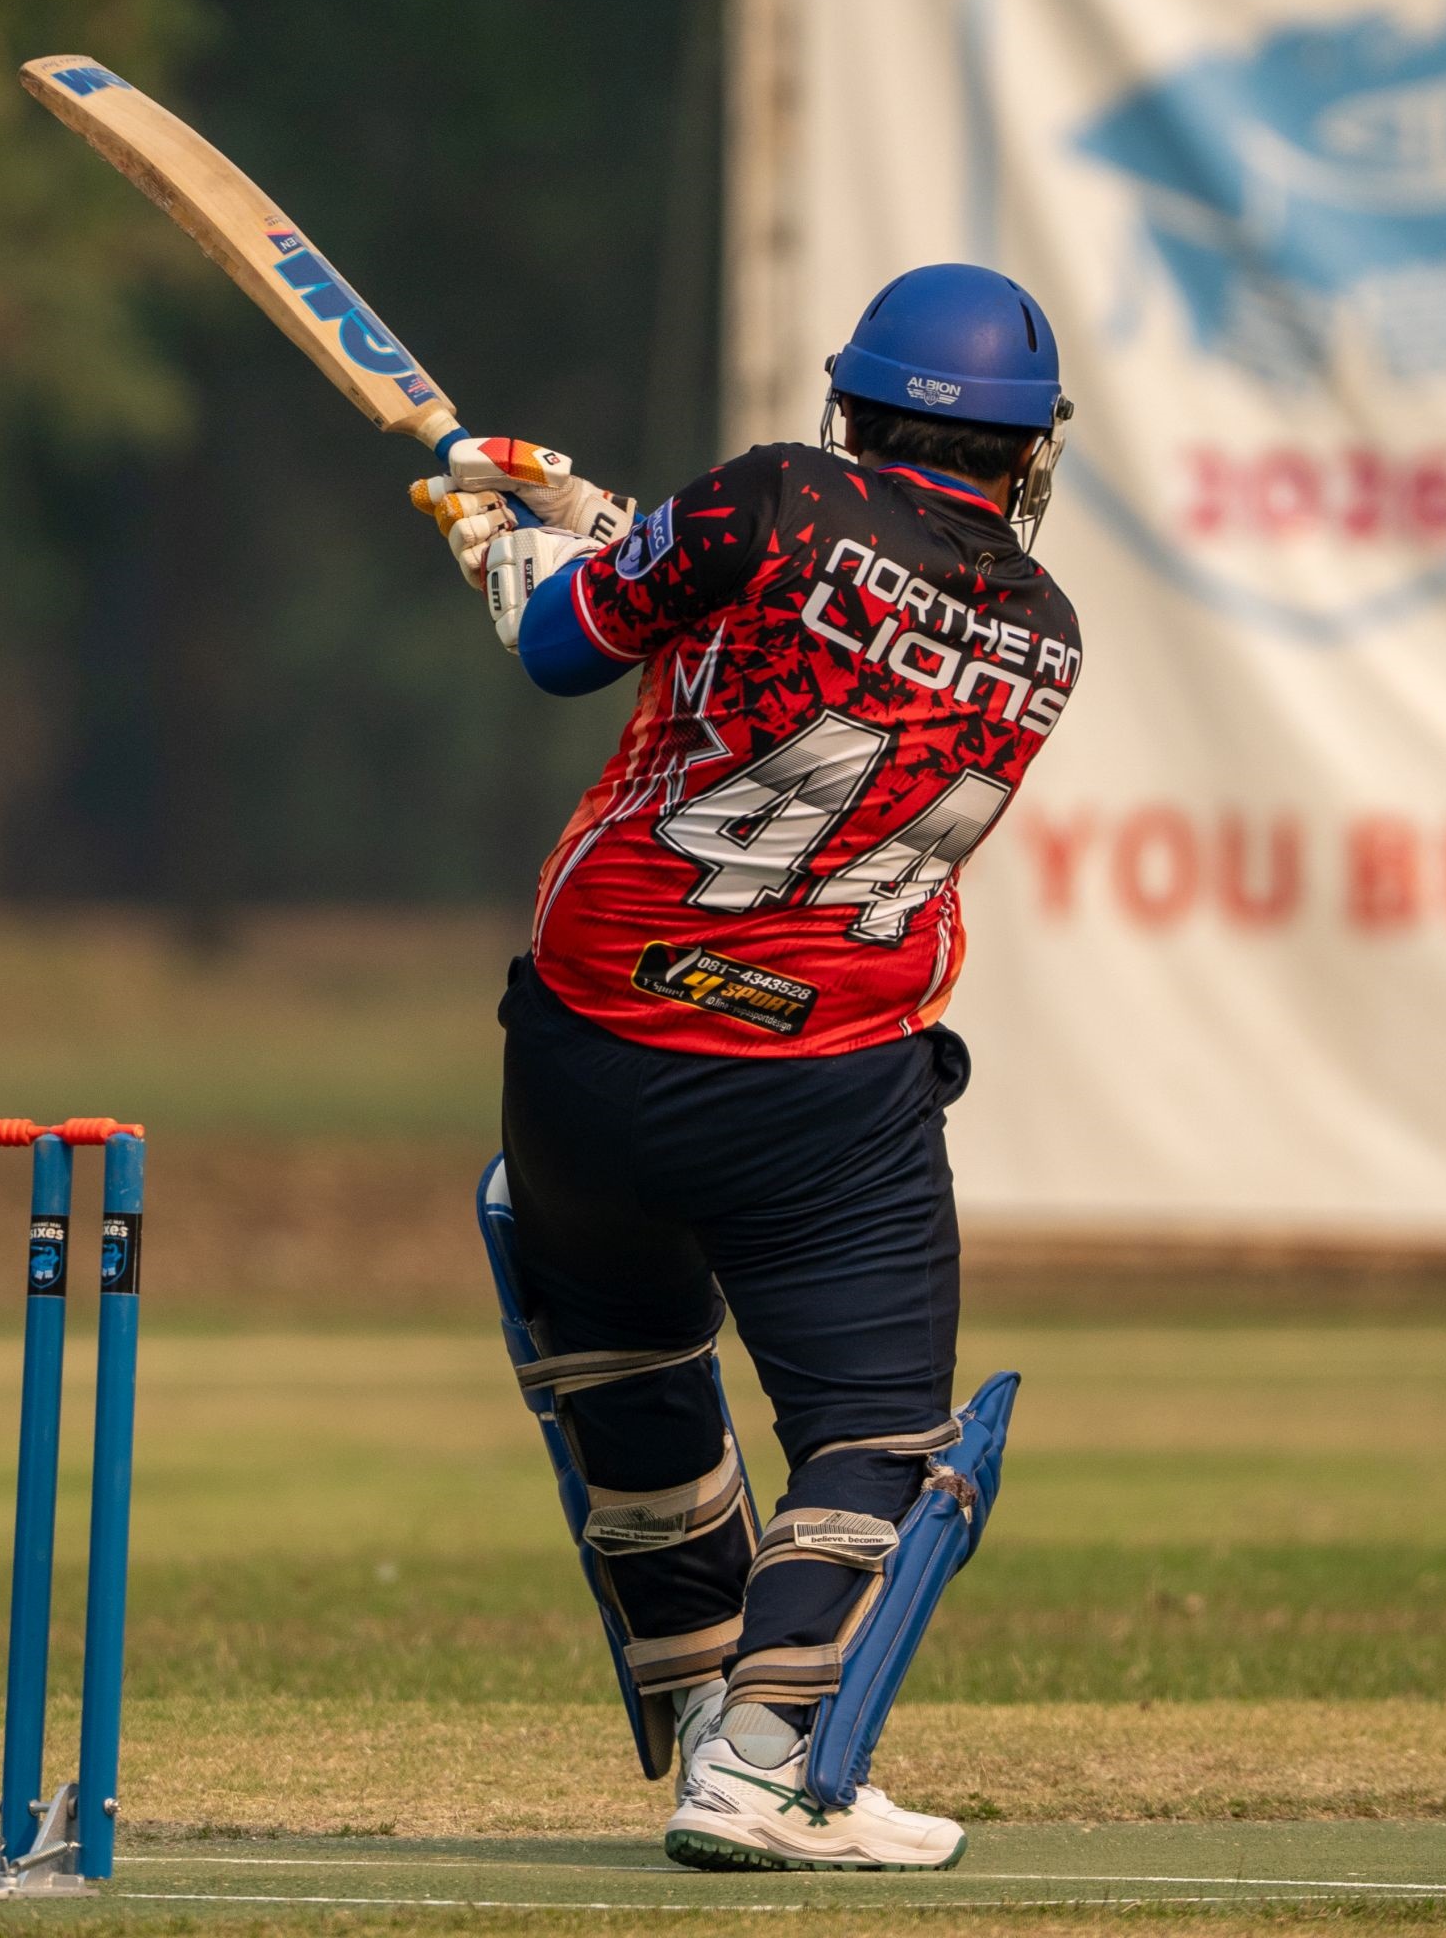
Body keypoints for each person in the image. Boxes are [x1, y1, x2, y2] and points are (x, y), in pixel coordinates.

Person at [411, 263, 1078, 1872]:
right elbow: (837, 624)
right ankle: (767, 1761)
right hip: (816, 1084)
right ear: (1025, 447)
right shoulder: (1047, 632)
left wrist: (518, 549)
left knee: (627, 1352)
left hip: (582, 1054)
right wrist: (603, 526)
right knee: (875, 1424)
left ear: (853, 404)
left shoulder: (774, 496)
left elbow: (569, 644)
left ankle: (713, 1703)